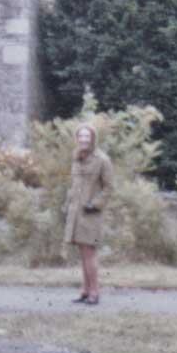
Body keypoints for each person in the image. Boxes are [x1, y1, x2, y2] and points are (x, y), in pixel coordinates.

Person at [64, 124, 113, 305]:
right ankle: (84, 291)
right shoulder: (76, 157)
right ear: (77, 139)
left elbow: (108, 188)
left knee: (89, 254)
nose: (84, 140)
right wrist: (68, 207)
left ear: (93, 138)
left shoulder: (102, 159)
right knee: (83, 254)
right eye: (81, 136)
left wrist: (96, 204)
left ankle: (94, 292)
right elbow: (74, 187)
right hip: (76, 214)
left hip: (91, 214)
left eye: (87, 136)